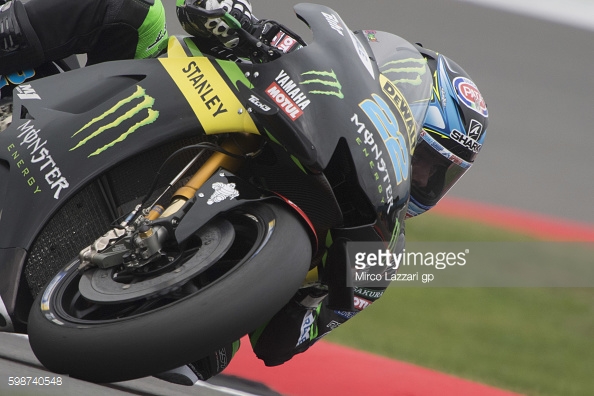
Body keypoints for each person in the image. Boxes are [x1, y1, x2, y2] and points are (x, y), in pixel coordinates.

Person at [1, 0, 488, 385]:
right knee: (131, 5)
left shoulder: (378, 242)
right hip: (109, 99)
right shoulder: (299, 62)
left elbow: (278, 345)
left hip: (116, 318)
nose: (420, 178)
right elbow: (198, 11)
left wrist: (332, 300)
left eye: (434, 175)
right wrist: (237, 21)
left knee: (207, 353)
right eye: (421, 157)